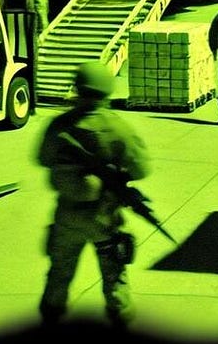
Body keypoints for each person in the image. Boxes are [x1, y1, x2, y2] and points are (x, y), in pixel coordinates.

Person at [37, 62, 151, 331]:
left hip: (67, 216)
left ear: (78, 87)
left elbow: (42, 158)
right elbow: (142, 168)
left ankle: (50, 318)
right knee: (115, 278)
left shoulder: (59, 125)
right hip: (103, 217)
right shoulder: (117, 127)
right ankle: (121, 319)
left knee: (59, 274)